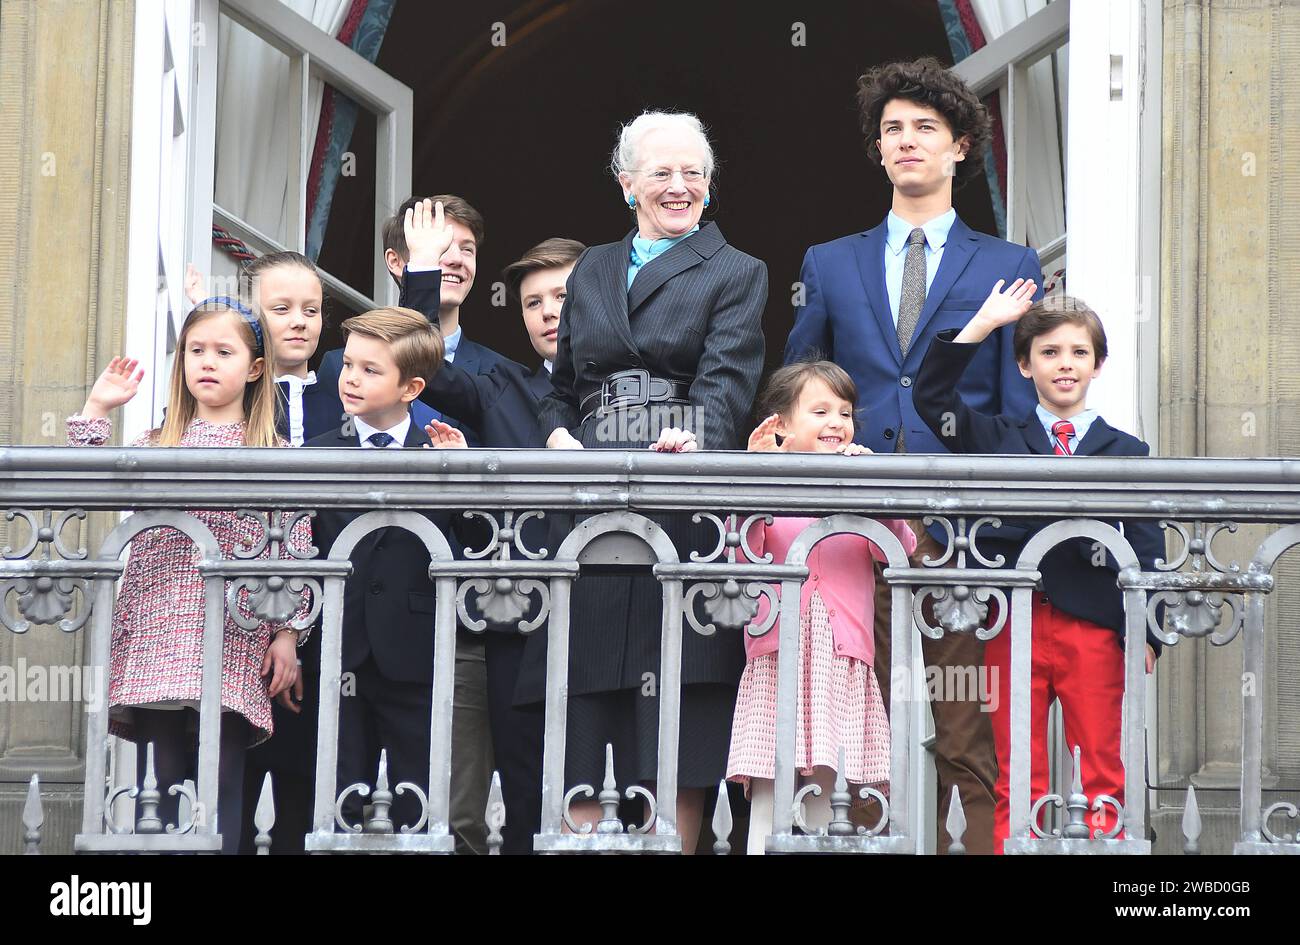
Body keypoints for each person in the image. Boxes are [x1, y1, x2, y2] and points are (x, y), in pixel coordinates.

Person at [783, 57, 1043, 853]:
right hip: (850, 525)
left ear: (961, 146)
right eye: (892, 129)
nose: (906, 141)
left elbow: (1013, 406)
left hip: (954, 528)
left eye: (925, 128)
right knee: (862, 731)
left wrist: (997, 519)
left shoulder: (1008, 264)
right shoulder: (830, 260)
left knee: (963, 729)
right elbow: (798, 381)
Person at [530, 110, 767, 854]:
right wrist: (557, 432)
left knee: (677, 715)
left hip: (679, 501)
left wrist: (694, 434)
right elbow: (561, 384)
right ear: (626, 181)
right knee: (584, 701)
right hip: (590, 501)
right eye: (661, 172)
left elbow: (729, 385)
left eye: (694, 173)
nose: (680, 186)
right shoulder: (594, 267)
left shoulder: (738, 270)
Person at [913, 284, 1163, 853]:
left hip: (1096, 630)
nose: (1065, 364)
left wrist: (1146, 630)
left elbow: (1146, 551)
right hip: (1013, 625)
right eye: (1049, 353)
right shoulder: (1001, 436)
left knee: (1101, 768)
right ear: (1025, 366)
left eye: (1078, 352)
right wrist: (983, 322)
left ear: (1098, 365)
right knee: (1018, 774)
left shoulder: (1128, 452)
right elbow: (932, 400)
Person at [66, 298, 311, 854]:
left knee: (220, 777)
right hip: (157, 621)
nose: (206, 362)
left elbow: (296, 550)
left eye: (224, 352)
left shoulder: (274, 451)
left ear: (253, 368)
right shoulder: (157, 444)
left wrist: (289, 634)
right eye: (195, 351)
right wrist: (98, 407)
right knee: (162, 780)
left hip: (232, 625)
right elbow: (85, 485)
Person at [416, 230, 586, 854]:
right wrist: (426, 276)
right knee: (523, 791)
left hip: (614, 614)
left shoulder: (629, 387)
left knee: (616, 788)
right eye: (533, 302)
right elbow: (424, 368)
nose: (547, 312)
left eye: (562, 297)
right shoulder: (503, 386)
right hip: (521, 622)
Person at [728, 361, 916, 855]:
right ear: (782, 426)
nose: (837, 422)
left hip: (838, 660)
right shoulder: (767, 485)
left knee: (828, 797)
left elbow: (896, 546)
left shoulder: (857, 485)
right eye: (820, 411)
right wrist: (753, 476)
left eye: (845, 412)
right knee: (771, 790)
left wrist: (871, 484)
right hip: (778, 659)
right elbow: (739, 555)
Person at [303, 307, 452, 832]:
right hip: (338, 643)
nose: (351, 379)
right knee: (337, 788)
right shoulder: (316, 454)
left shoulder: (442, 447)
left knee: (416, 791)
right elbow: (305, 545)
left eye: (370, 370)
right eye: (348, 365)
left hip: (414, 649)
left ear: (410, 387)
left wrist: (453, 480)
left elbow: (464, 547)